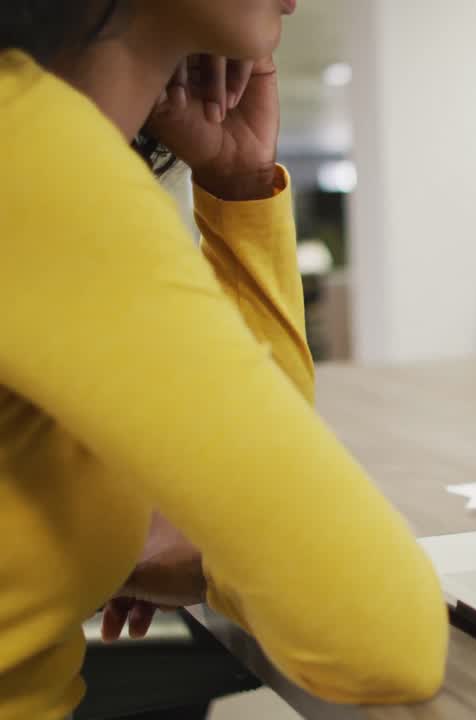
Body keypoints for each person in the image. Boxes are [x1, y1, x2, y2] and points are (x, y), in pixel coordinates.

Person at [0, 2, 448, 718]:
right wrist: (218, 564)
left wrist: (240, 186)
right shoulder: (29, 154)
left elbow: (266, 483)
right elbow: (383, 638)